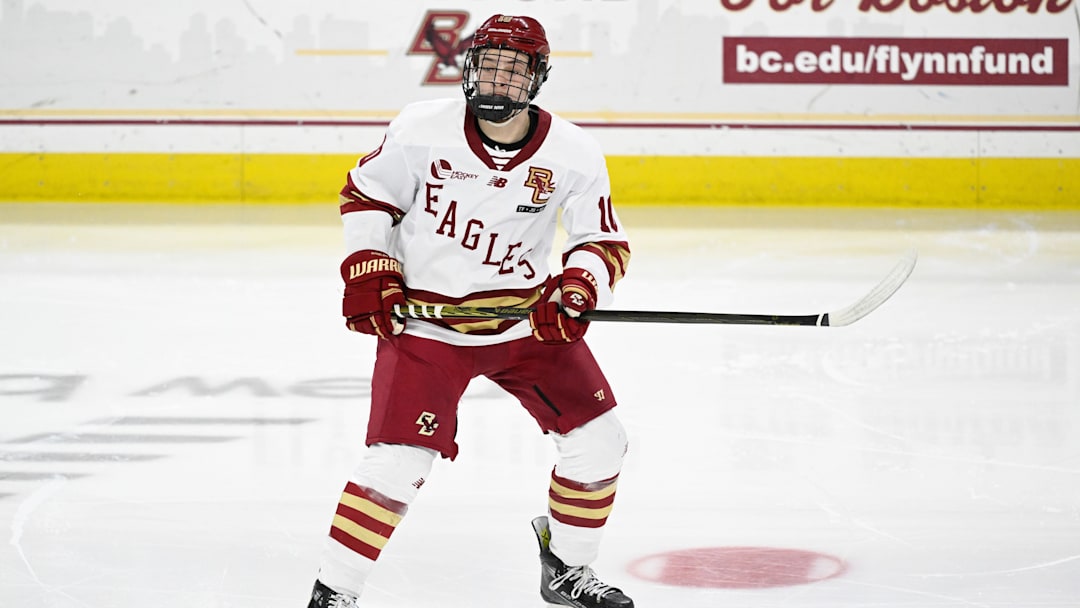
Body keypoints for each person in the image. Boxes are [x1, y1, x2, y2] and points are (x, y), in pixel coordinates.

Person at [306, 14, 633, 608]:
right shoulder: (420, 128)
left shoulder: (574, 151)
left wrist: (580, 287)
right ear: (469, 69)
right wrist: (367, 264)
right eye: (488, 66)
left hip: (524, 325)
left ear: (537, 79)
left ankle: (567, 568)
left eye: (514, 70)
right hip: (427, 329)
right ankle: (334, 593)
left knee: (601, 441)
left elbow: (601, 242)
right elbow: (368, 194)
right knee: (396, 462)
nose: (497, 82)